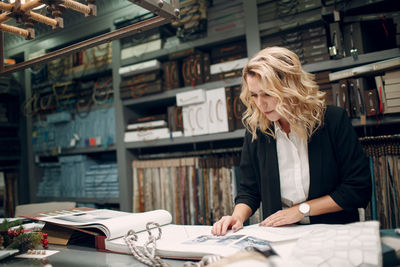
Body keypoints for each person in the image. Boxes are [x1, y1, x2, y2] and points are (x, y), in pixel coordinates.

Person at [212, 46, 371, 236]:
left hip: (334, 234)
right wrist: (237, 216)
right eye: (254, 95)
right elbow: (249, 190)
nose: (260, 104)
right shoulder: (256, 131)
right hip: (281, 237)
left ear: (291, 87)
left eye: (268, 94)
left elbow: (357, 189)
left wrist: (300, 210)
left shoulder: (333, 121)